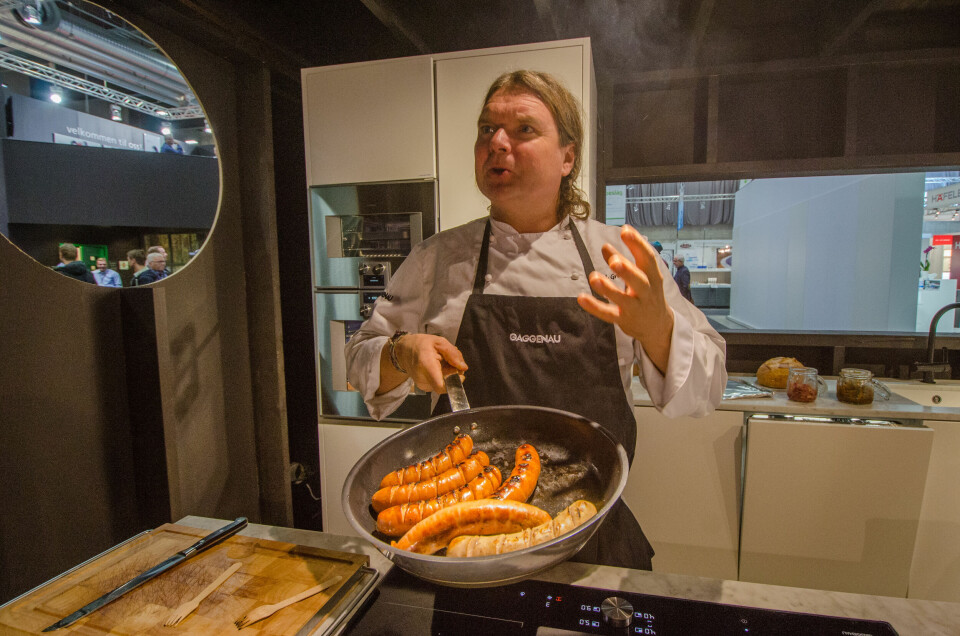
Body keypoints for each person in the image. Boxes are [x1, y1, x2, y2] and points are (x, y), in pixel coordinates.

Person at [344, 70, 726, 571]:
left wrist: (658, 331)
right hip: (463, 544)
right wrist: (401, 353)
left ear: (568, 157)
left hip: (589, 537)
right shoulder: (437, 259)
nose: (497, 143)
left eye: (523, 130)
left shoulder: (617, 258)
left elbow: (708, 388)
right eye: (486, 130)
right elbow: (357, 359)